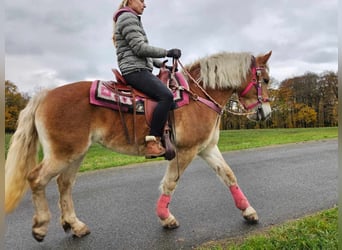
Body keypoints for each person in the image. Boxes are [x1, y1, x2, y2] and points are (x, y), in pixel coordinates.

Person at [112, 0, 182, 158]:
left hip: (139, 67)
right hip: (135, 71)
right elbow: (140, 48)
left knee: (170, 100)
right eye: (141, 1)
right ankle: (152, 141)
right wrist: (167, 52)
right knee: (166, 96)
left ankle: (167, 138)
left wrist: (162, 65)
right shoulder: (127, 18)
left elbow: (141, 54)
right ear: (130, 1)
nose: (145, 5)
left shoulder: (130, 18)